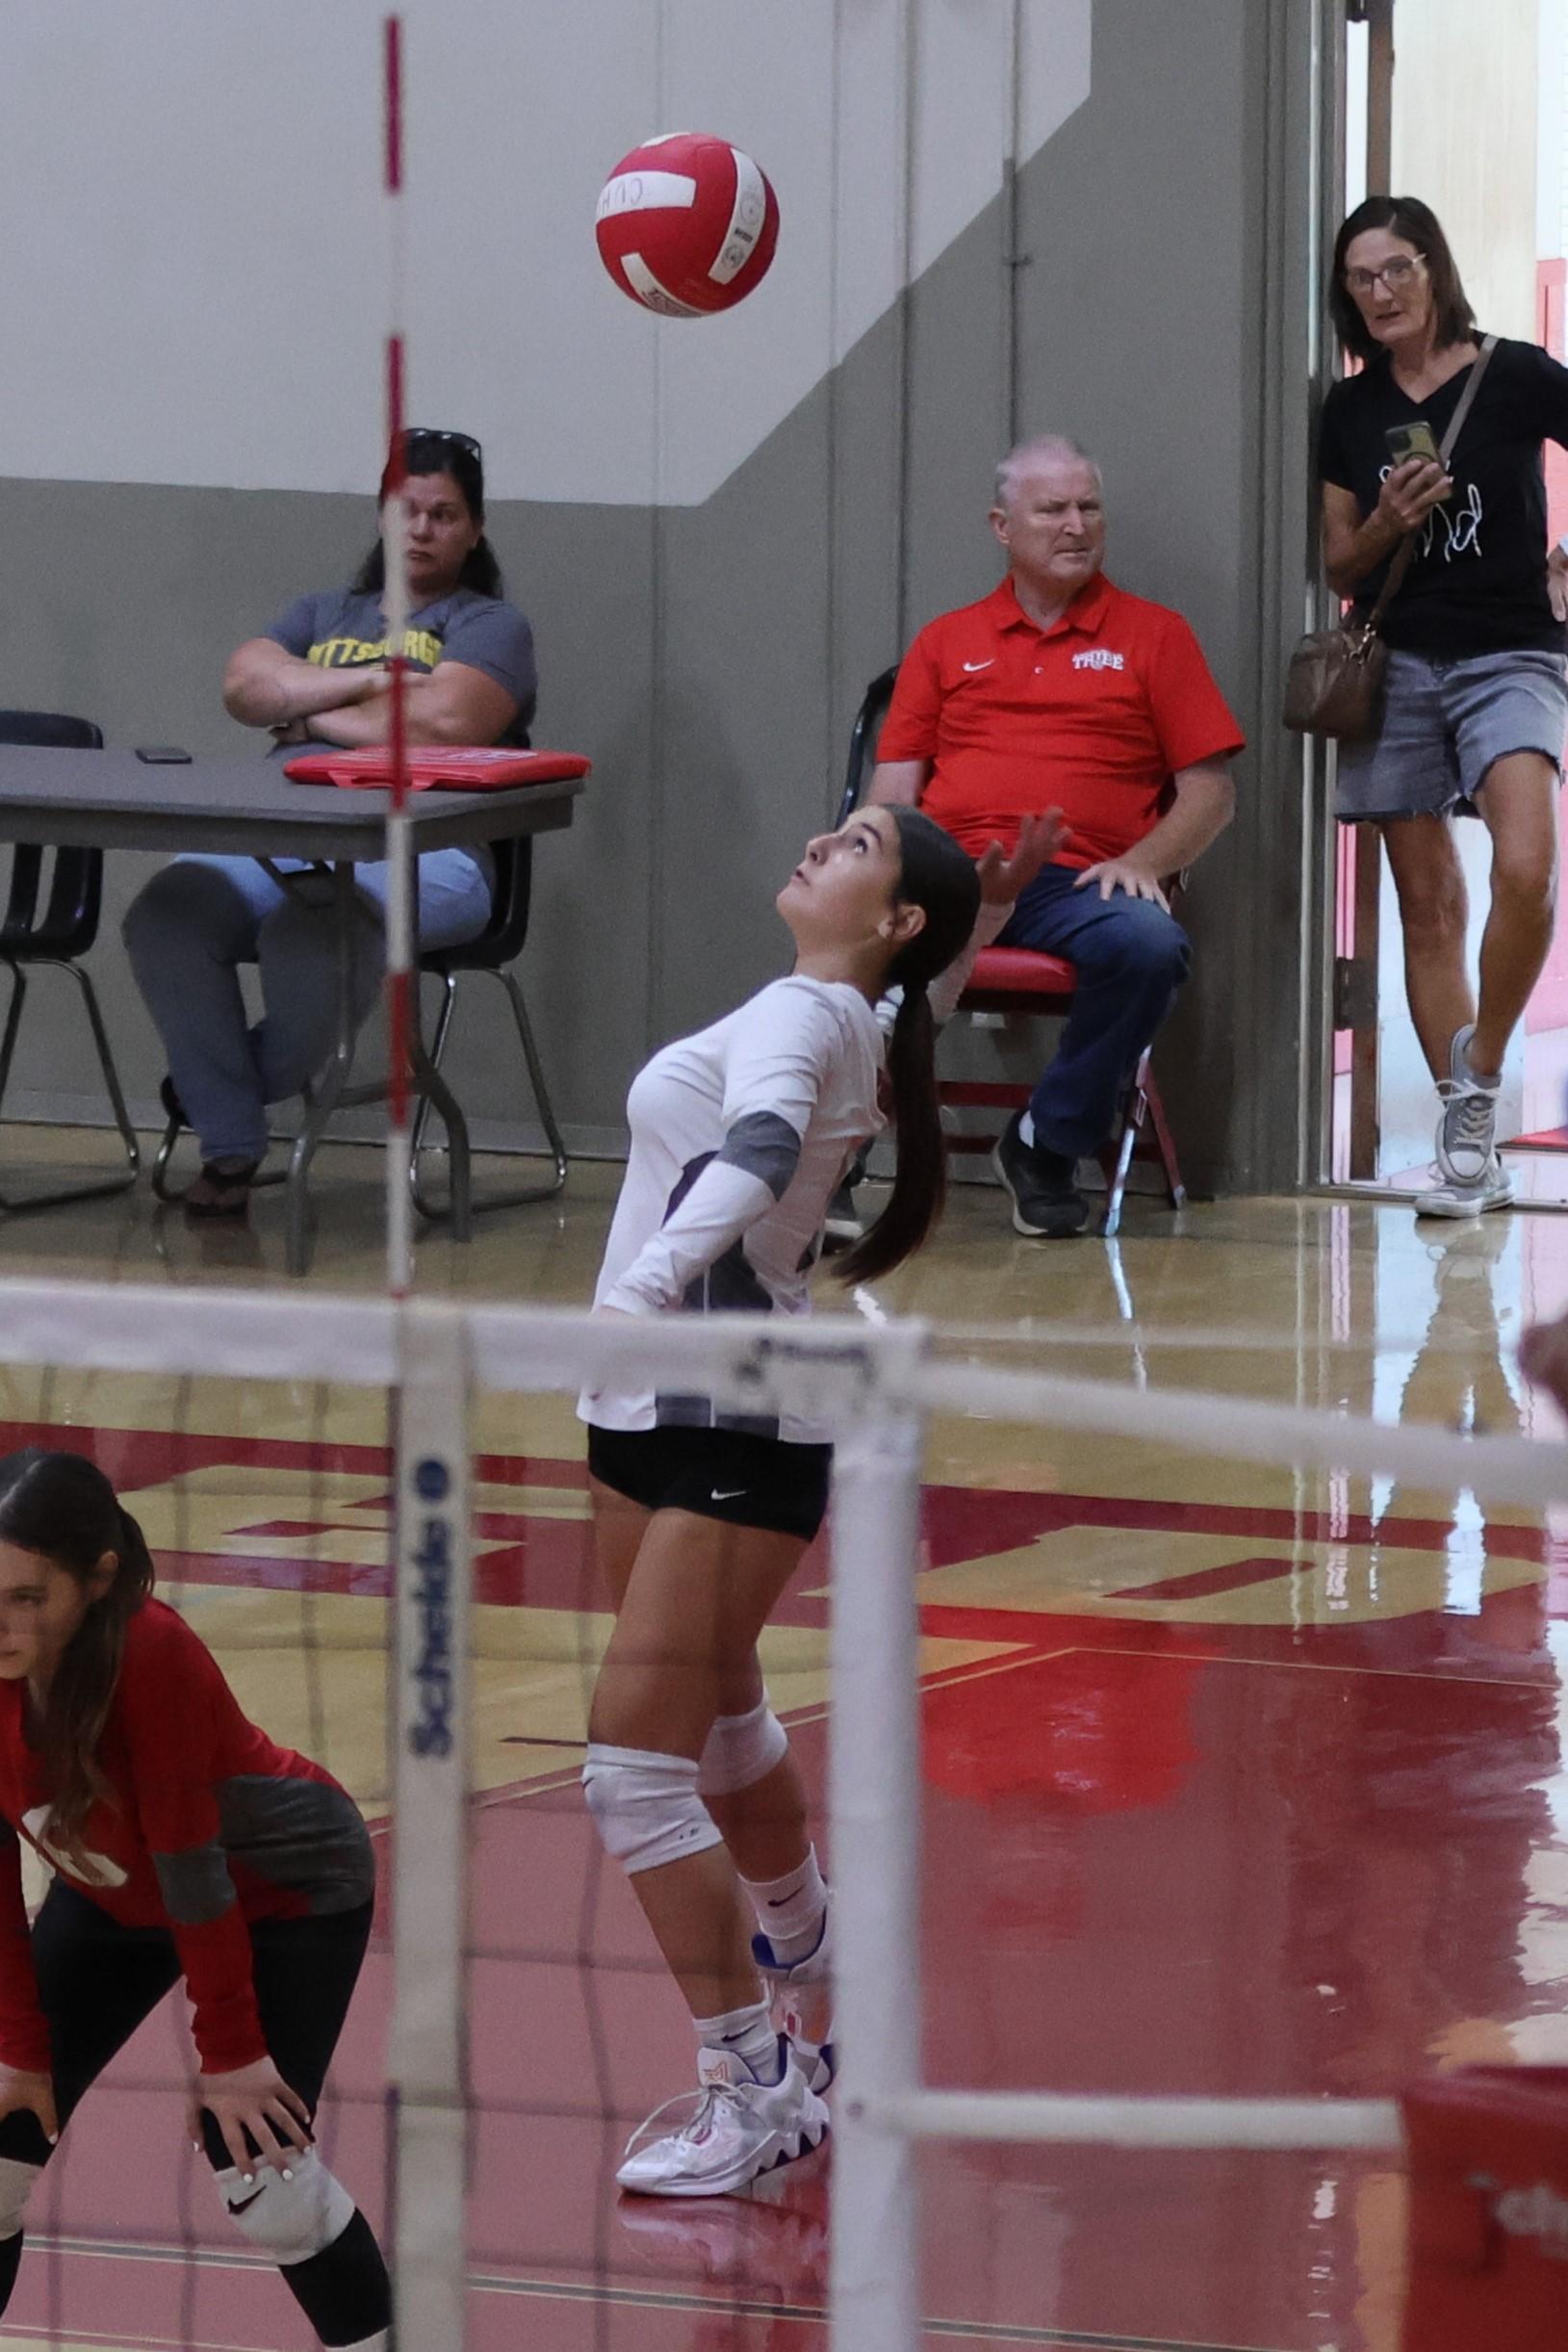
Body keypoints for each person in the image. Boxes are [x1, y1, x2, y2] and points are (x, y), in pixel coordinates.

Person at [578, 803, 979, 2196]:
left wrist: (639, 1288)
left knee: (632, 1770)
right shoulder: (846, 1014)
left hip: (729, 1410)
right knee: (722, 1714)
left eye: (857, 840)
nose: (819, 839)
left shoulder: (813, 1016)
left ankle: (755, 2083)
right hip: (645, 1411)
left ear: (896, 919)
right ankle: (822, 1960)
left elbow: (750, 1155)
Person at [0, 1449, 388, 2349]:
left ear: (97, 1580)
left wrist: (232, 2050)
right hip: (118, 1893)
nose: (2, 1620)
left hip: (286, 1890)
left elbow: (191, 1859)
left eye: (28, 1596)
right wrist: (20, 2053)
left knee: (259, 2170)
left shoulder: (150, 1651)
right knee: (2, 2143)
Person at [123, 428, 536, 1216]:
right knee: (167, 913)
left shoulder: (490, 624)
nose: (420, 529)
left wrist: (309, 711)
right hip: (284, 834)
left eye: (443, 514)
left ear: (473, 529)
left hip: (433, 850)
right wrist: (377, 692)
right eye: (406, 511)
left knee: (313, 927)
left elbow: (445, 722)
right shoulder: (321, 609)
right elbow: (245, 688)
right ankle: (234, 1138)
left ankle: (225, 1113)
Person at [865, 434, 1241, 1239]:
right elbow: (893, 791)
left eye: (1088, 507)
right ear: (1002, 526)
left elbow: (1211, 794)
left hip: (1082, 879)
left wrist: (1143, 863)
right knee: (847, 946)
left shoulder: (1155, 635)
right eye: (1053, 510)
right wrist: (876, 875)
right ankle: (829, 1149)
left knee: (1147, 945)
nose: (1076, 525)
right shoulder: (945, 641)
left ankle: (1043, 1143)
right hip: (957, 875)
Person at [1320, 195, 1568, 1218]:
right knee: (1428, 907)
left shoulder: (1513, 373)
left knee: (1526, 864)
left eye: (1397, 269)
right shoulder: (1349, 410)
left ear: (1434, 268)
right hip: (1401, 661)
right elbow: (1339, 558)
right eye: (1361, 279)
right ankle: (1471, 1137)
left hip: (1512, 649)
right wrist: (1386, 518)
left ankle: (1483, 1062)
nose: (1381, 292)